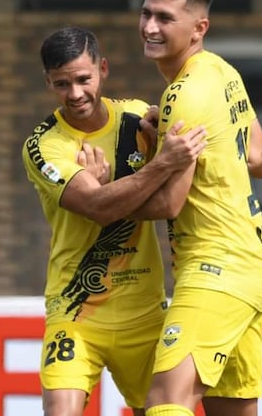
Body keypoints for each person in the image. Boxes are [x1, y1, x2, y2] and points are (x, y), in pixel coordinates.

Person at [135, 0, 262, 416]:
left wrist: (97, 201)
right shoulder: (223, 73)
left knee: (166, 400)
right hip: (249, 265)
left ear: (198, 28)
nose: (150, 27)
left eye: (165, 18)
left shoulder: (183, 95)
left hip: (215, 266)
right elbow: (258, 162)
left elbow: (169, 202)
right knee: (231, 409)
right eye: (146, 13)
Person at [21, 27, 207, 416]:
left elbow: (167, 204)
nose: (75, 94)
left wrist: (115, 187)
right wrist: (161, 164)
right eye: (62, 84)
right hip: (75, 311)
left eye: (83, 79)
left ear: (102, 70)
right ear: (48, 83)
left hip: (144, 313)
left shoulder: (138, 119)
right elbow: (97, 207)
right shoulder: (44, 145)